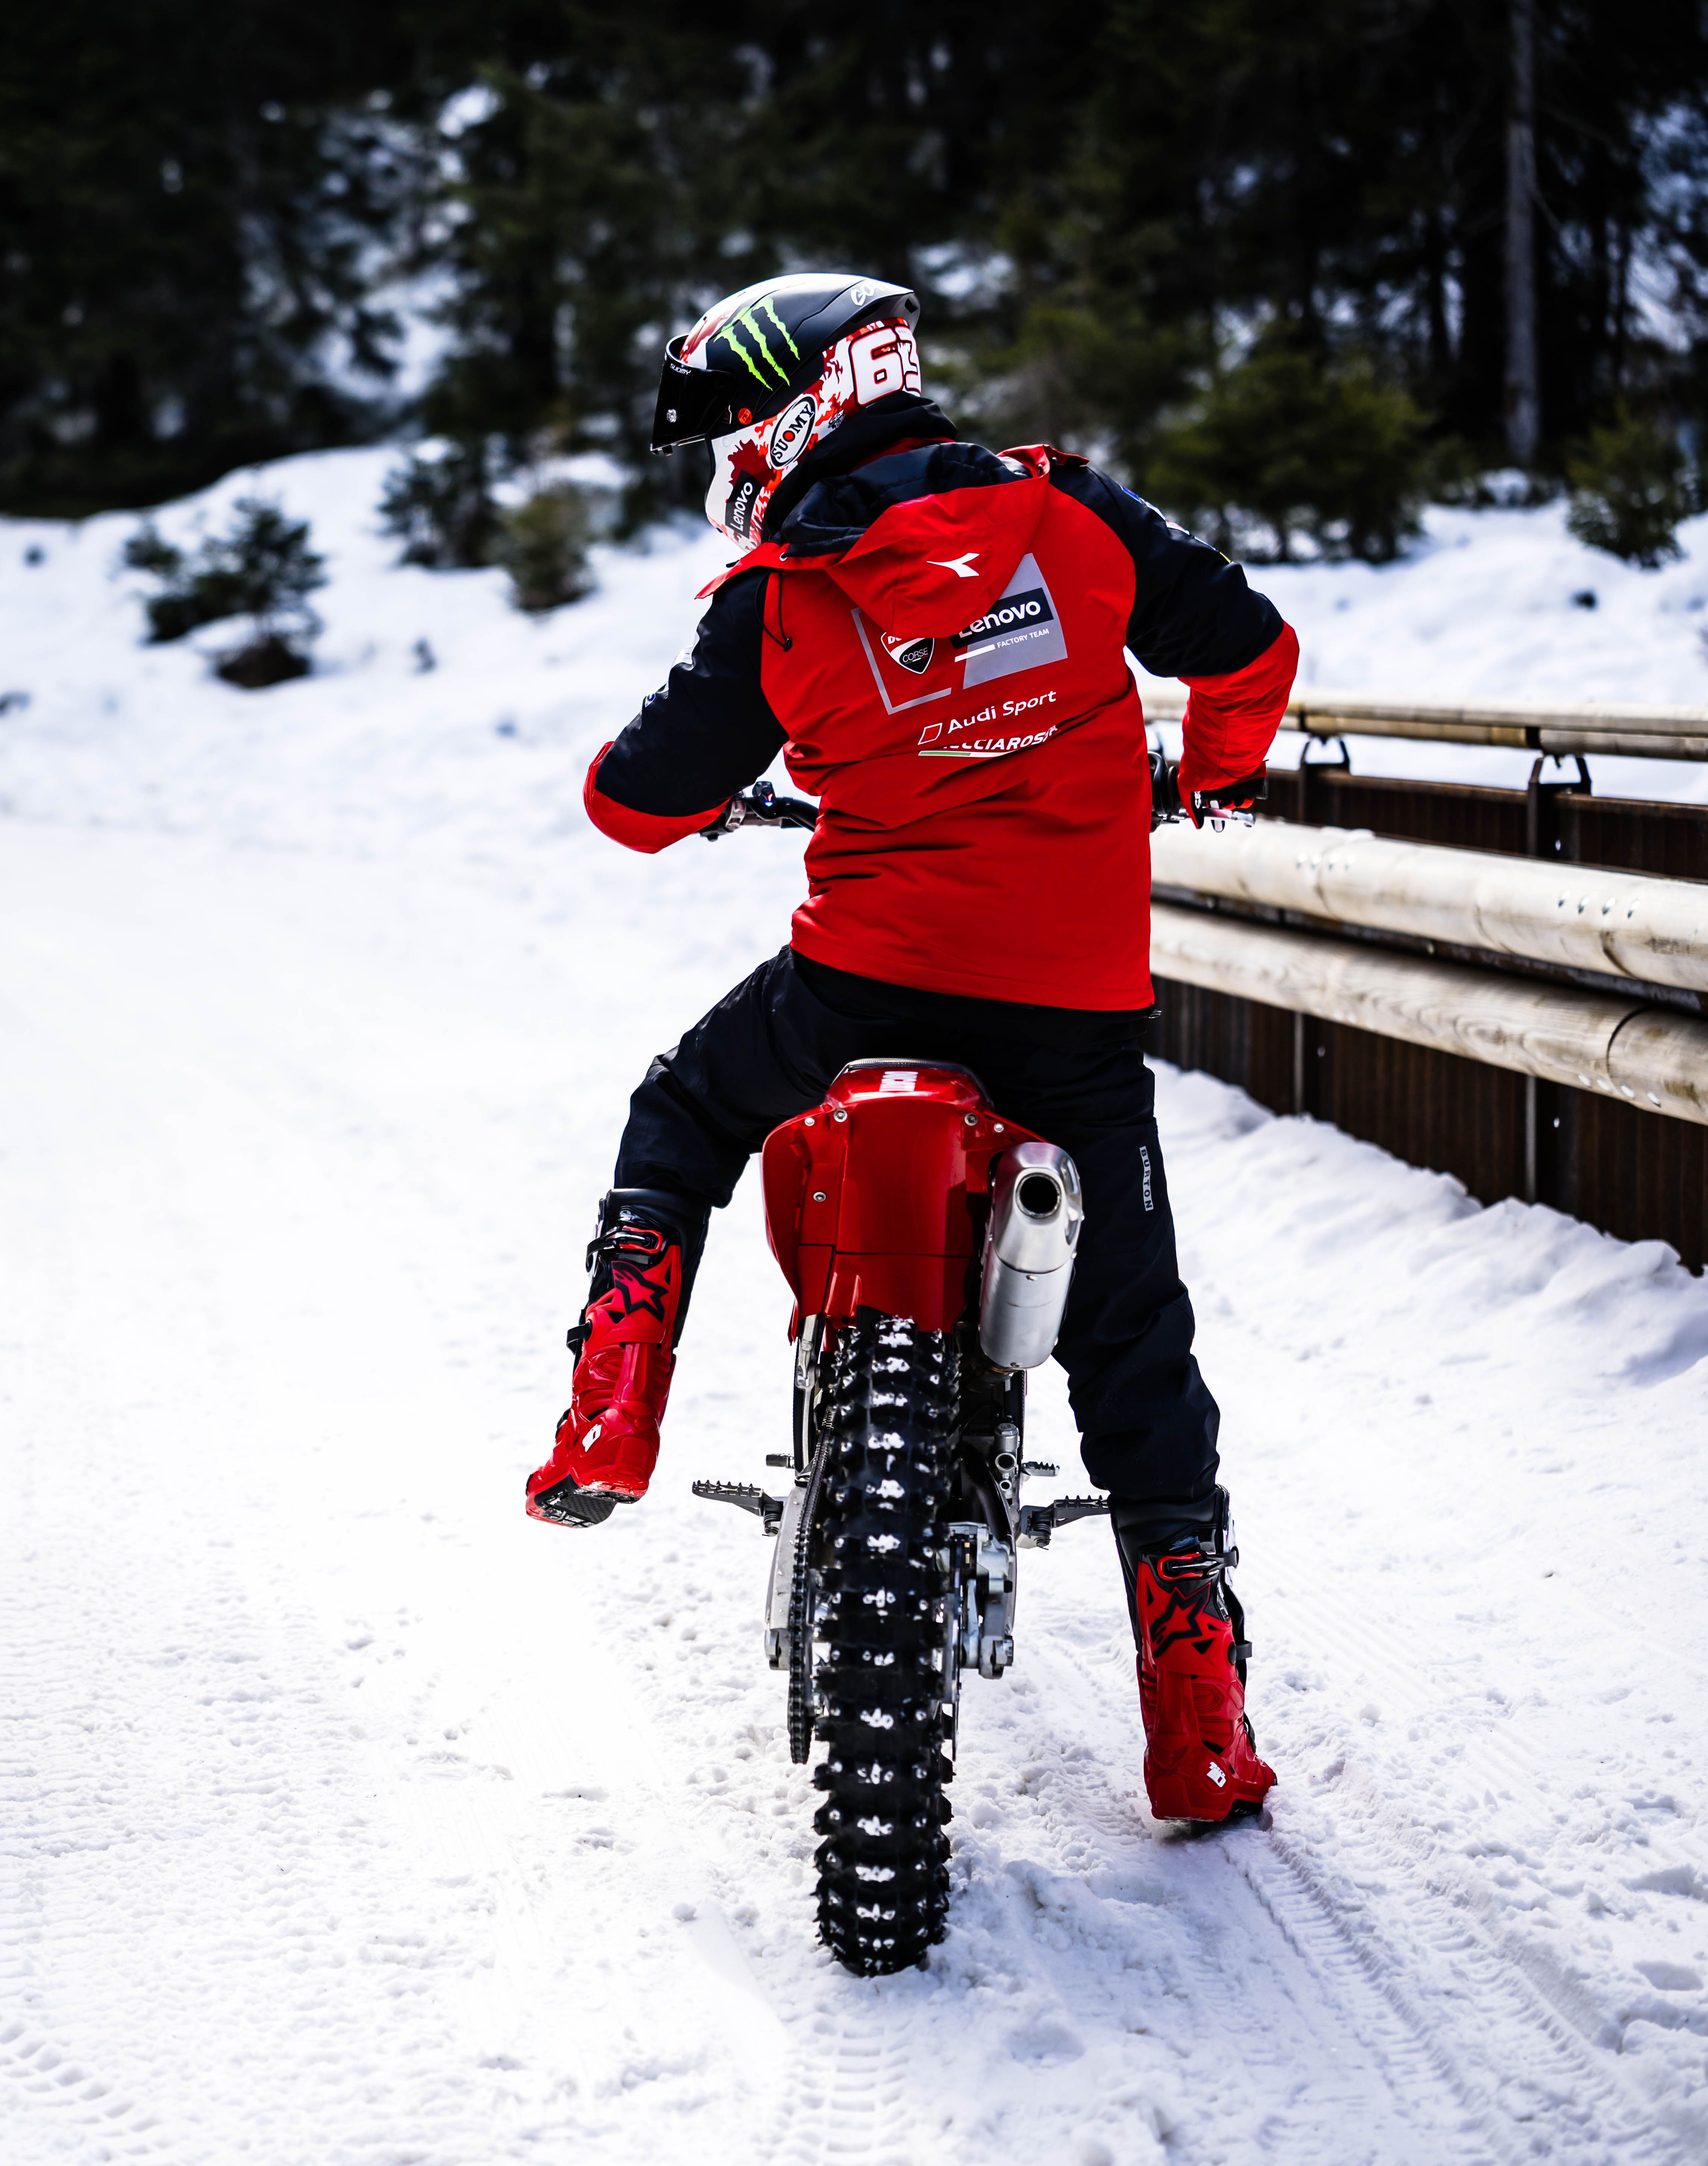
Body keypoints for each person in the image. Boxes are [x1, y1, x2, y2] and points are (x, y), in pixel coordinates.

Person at [522, 274, 1293, 1825]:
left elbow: (634, 805)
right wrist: (1210, 780)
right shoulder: (1069, 516)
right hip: (1072, 1011)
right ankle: (1197, 1711)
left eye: (740, 427)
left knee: (683, 1111)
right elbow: (1251, 650)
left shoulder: (781, 599)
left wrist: (740, 751)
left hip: (864, 992)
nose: (735, 462)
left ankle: (616, 1401)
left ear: (808, 406)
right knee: (1131, 1336)